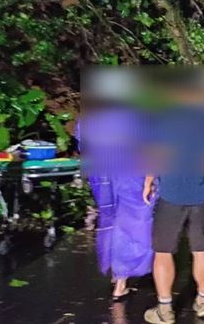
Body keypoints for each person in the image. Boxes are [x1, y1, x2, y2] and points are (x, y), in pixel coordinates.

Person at [143, 80, 204, 324]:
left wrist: (148, 181)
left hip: (170, 195)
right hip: (202, 195)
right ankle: (202, 301)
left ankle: (165, 310)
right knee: (202, 251)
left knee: (163, 252)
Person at [77, 71, 154, 301]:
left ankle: (114, 270)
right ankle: (121, 280)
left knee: (109, 219)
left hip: (101, 174)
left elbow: (83, 143)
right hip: (130, 174)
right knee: (132, 223)